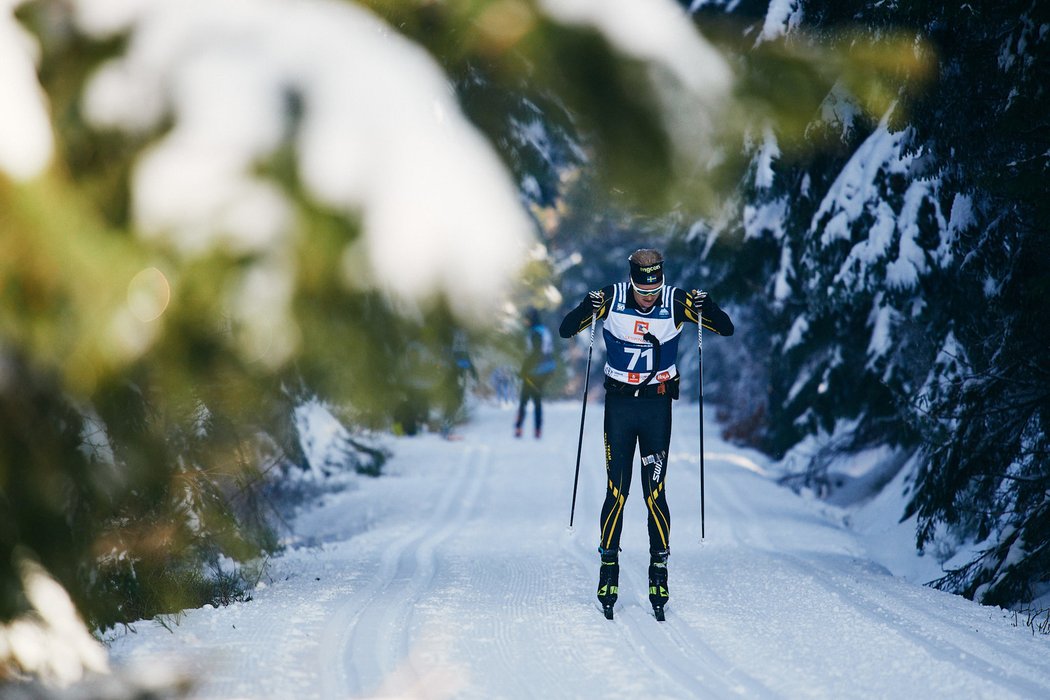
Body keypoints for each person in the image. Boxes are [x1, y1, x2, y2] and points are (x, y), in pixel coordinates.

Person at [559, 248, 734, 619]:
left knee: (654, 494)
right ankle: (609, 569)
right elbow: (566, 329)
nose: (648, 298)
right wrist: (587, 307)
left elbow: (725, 327)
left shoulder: (676, 301)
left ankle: (659, 571)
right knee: (617, 492)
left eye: (653, 291)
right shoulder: (612, 297)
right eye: (642, 291)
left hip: (656, 407)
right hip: (620, 407)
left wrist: (708, 305)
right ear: (632, 281)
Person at [515, 307, 556, 438]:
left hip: (536, 371)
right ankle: (538, 430)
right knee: (537, 400)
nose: (524, 321)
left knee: (524, 399)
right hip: (546, 369)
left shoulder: (535, 332)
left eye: (526, 319)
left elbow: (535, 353)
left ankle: (518, 428)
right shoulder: (543, 330)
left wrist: (524, 370)